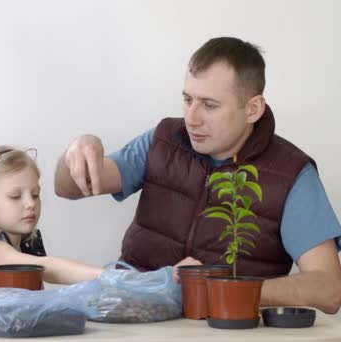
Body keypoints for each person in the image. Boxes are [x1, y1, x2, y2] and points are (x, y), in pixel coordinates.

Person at [54, 37, 341, 313]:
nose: (191, 118)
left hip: (223, 326)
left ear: (253, 109)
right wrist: (76, 152)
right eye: (187, 99)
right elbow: (67, 188)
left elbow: (328, 289)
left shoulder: (292, 174)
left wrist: (219, 289)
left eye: (209, 105)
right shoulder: (163, 139)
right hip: (133, 314)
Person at [0, 145, 102, 297]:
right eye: (15, 196)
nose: (30, 204)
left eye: (35, 194)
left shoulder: (29, 243)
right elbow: (48, 268)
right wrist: (108, 276)